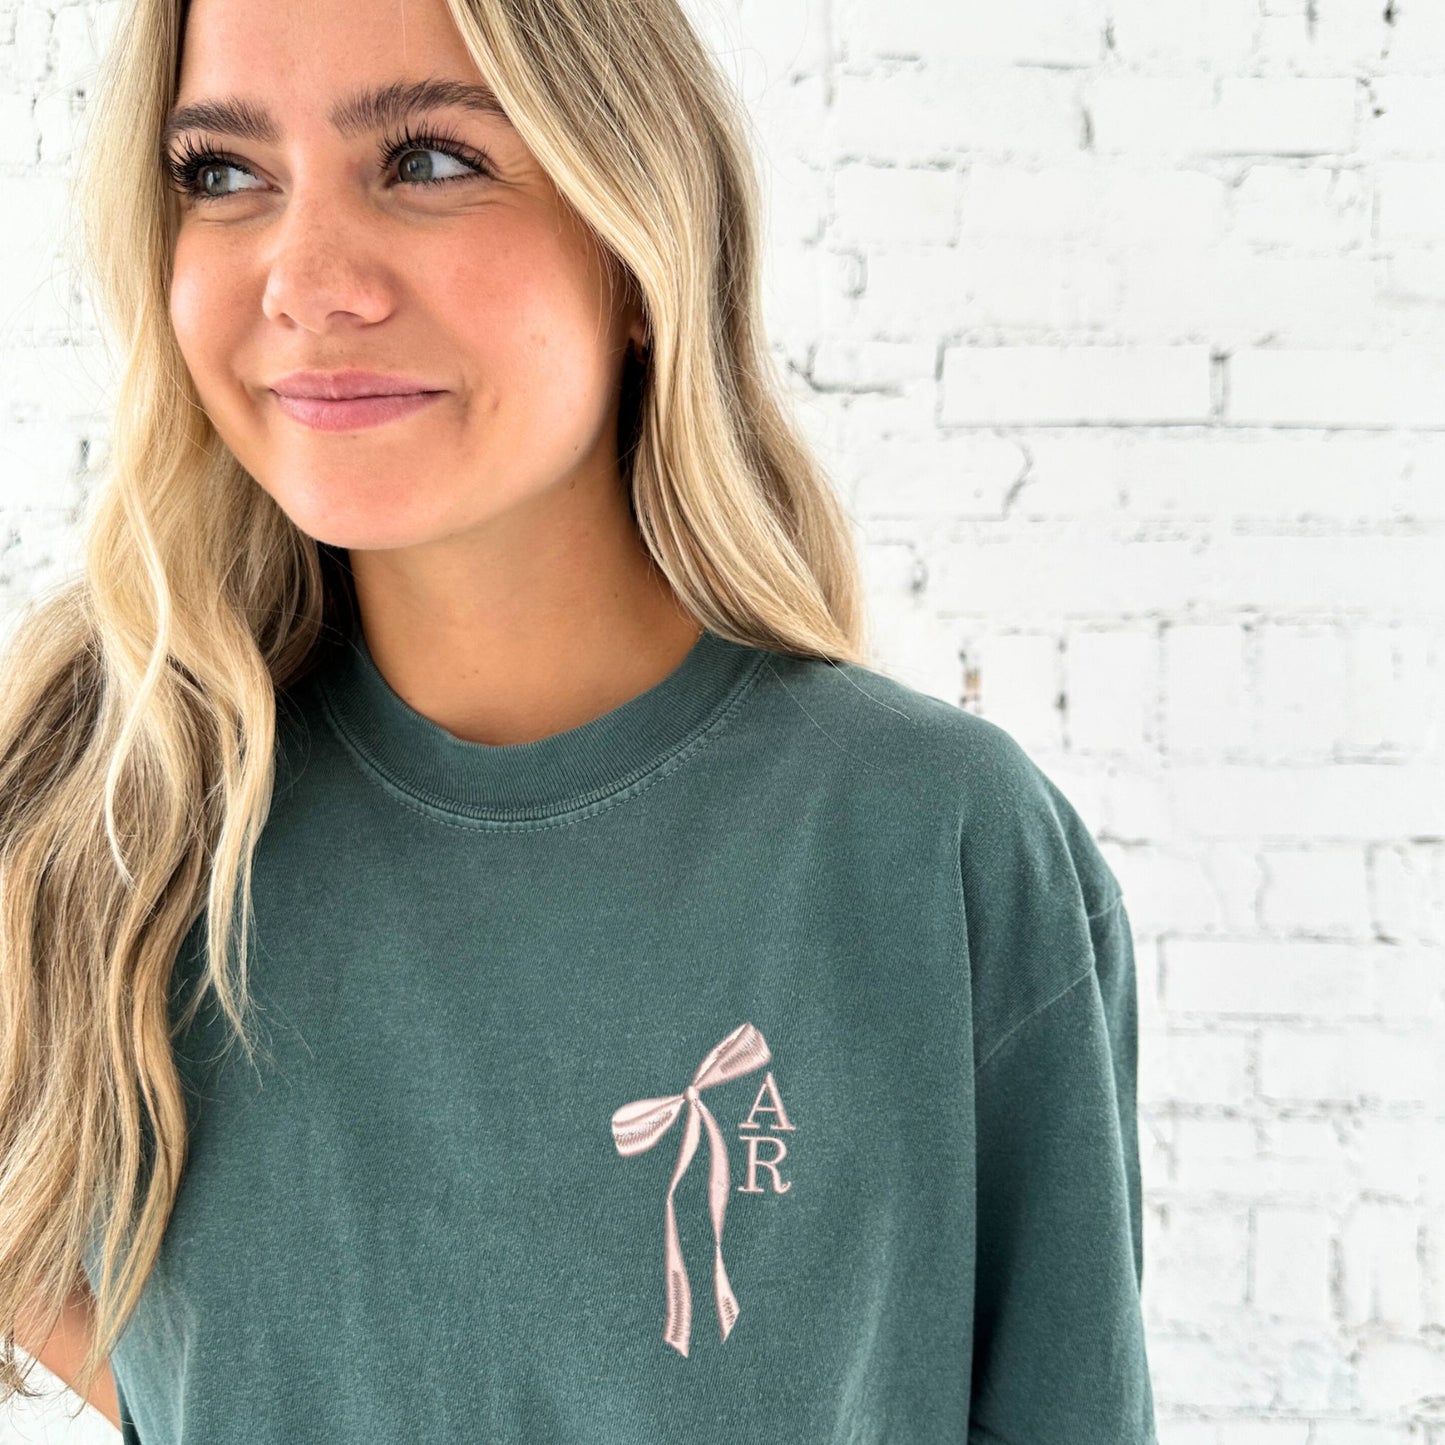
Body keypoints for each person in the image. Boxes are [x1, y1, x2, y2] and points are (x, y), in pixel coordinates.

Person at [0, 0, 1160, 1439]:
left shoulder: (934, 849)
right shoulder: (106, 822)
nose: (301, 281)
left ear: (636, 239)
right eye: (223, 175)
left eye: (427, 160)